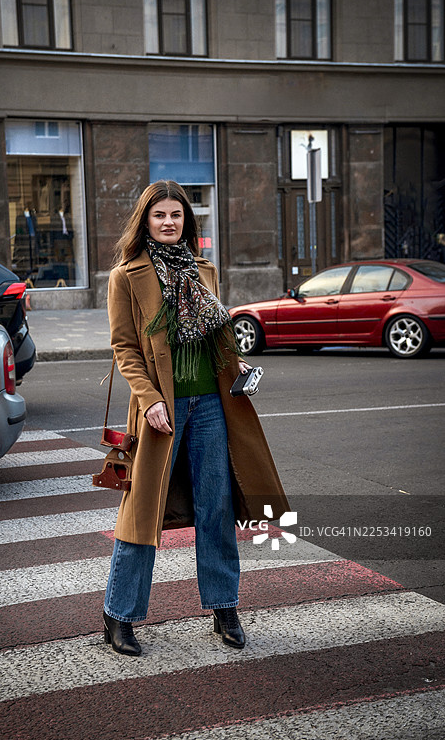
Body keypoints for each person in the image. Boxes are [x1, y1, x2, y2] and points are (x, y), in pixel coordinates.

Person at [102, 180, 289, 656]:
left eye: (176, 215)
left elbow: (216, 337)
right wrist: (149, 399)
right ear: (145, 221)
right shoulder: (127, 275)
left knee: (216, 508)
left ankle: (224, 609)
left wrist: (236, 365)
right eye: (159, 215)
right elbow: (125, 347)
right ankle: (119, 616)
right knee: (141, 512)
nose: (168, 222)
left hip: (210, 403)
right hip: (160, 408)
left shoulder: (204, 271)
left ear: (187, 222)